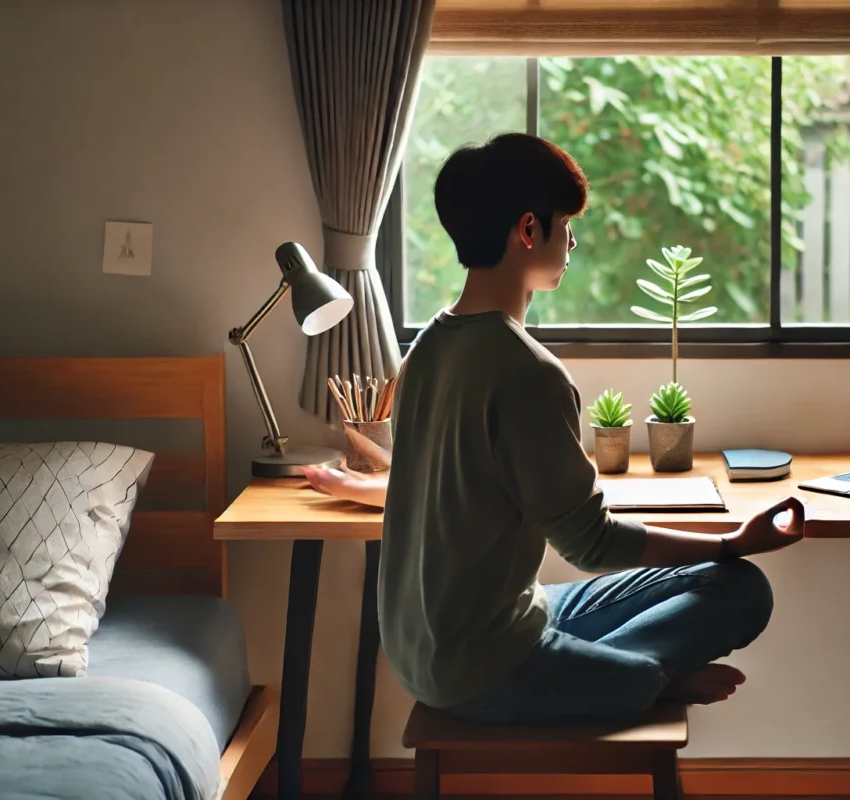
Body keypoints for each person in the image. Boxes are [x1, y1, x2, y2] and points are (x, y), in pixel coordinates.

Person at [303, 132, 805, 726]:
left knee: (722, 585)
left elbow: (444, 488)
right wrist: (730, 543)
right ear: (527, 230)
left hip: (435, 646)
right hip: (479, 669)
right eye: (565, 223)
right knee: (739, 592)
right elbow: (590, 544)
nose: (571, 240)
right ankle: (644, 680)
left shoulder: (425, 349)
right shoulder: (528, 372)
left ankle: (602, 673)